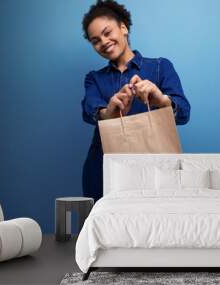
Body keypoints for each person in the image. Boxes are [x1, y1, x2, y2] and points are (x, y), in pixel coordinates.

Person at [81, 0, 190, 201]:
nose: (103, 42)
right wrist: (108, 112)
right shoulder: (94, 78)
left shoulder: (160, 67)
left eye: (107, 32)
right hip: (103, 168)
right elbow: (88, 110)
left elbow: (184, 113)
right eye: (95, 40)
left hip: (156, 169)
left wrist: (161, 100)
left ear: (123, 27)